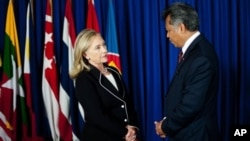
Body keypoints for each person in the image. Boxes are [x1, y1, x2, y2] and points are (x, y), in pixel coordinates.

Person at [154, 2, 219, 141]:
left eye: (169, 30)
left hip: (196, 135)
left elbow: (190, 106)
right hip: (186, 132)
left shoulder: (201, 57)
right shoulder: (194, 51)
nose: (167, 36)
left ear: (182, 27)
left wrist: (165, 126)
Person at [70, 29, 139, 141]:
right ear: (85, 54)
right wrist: (124, 133)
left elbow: (127, 102)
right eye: (98, 47)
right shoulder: (83, 79)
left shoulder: (114, 71)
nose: (105, 50)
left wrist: (132, 127)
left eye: (104, 45)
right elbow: (96, 116)